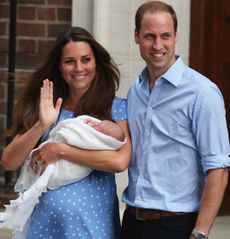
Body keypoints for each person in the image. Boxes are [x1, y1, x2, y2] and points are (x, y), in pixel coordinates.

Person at [1, 26, 131, 239]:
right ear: (60, 67)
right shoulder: (46, 106)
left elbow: (119, 162)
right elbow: (9, 161)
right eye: (70, 61)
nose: (79, 68)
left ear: (96, 62)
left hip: (92, 227)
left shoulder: (115, 108)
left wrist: (60, 150)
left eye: (86, 59)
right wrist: (41, 125)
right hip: (44, 228)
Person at [121, 1, 230, 239]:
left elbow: (218, 168)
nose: (158, 45)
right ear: (137, 36)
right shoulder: (136, 90)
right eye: (150, 36)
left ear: (176, 36)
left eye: (165, 36)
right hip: (131, 222)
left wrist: (199, 233)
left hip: (176, 227)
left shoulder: (202, 92)